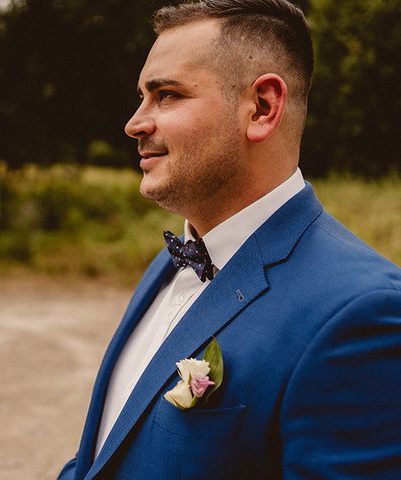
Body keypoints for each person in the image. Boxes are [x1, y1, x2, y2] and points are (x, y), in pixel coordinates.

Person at [58, 1, 401, 479]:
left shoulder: (363, 314)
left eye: (168, 95)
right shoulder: (170, 261)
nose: (135, 123)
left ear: (262, 108)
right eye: (142, 97)